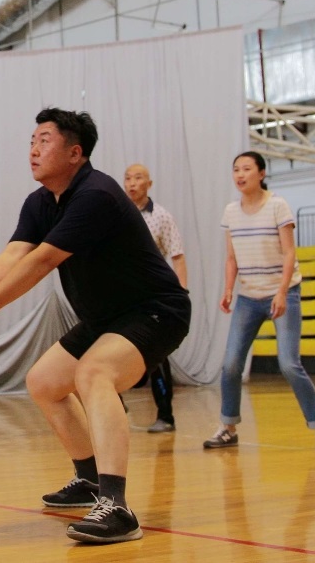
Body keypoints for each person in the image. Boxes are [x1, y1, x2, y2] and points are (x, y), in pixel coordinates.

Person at [0, 108, 190, 545]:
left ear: (75, 153)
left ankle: (117, 508)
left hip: (155, 310)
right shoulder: (40, 202)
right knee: (44, 382)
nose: (33, 149)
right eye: (32, 141)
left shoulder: (95, 195)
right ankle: (90, 480)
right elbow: (13, 255)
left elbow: (42, 261)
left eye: (44, 140)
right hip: (106, 318)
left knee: (95, 373)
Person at [204, 151, 315, 453]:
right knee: (231, 365)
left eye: (247, 169)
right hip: (248, 297)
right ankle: (228, 428)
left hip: (282, 294)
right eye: (236, 169)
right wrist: (228, 289)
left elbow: (289, 253)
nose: (240, 174)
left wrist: (282, 291)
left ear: (261, 173)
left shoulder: (277, 206)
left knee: (289, 364)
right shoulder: (231, 212)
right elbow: (231, 258)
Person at [122, 164, 188, 433]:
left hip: (152, 297)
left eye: (138, 178)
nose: (132, 183)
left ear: (149, 184)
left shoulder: (161, 216)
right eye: (127, 178)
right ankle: (114, 401)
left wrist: (181, 296)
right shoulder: (117, 213)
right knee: (102, 346)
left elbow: (177, 256)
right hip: (120, 295)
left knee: (157, 357)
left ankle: (166, 415)